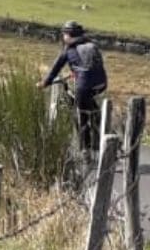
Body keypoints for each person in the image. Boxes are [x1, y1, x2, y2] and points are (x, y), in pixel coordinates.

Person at [38, 20, 108, 153]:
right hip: (101, 83)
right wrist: (75, 72)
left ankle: (86, 149)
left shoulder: (68, 50)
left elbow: (55, 69)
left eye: (64, 35)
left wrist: (44, 83)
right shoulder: (91, 45)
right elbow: (89, 65)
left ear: (69, 35)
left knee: (82, 116)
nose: (63, 38)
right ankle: (101, 128)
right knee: (90, 107)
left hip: (84, 86)